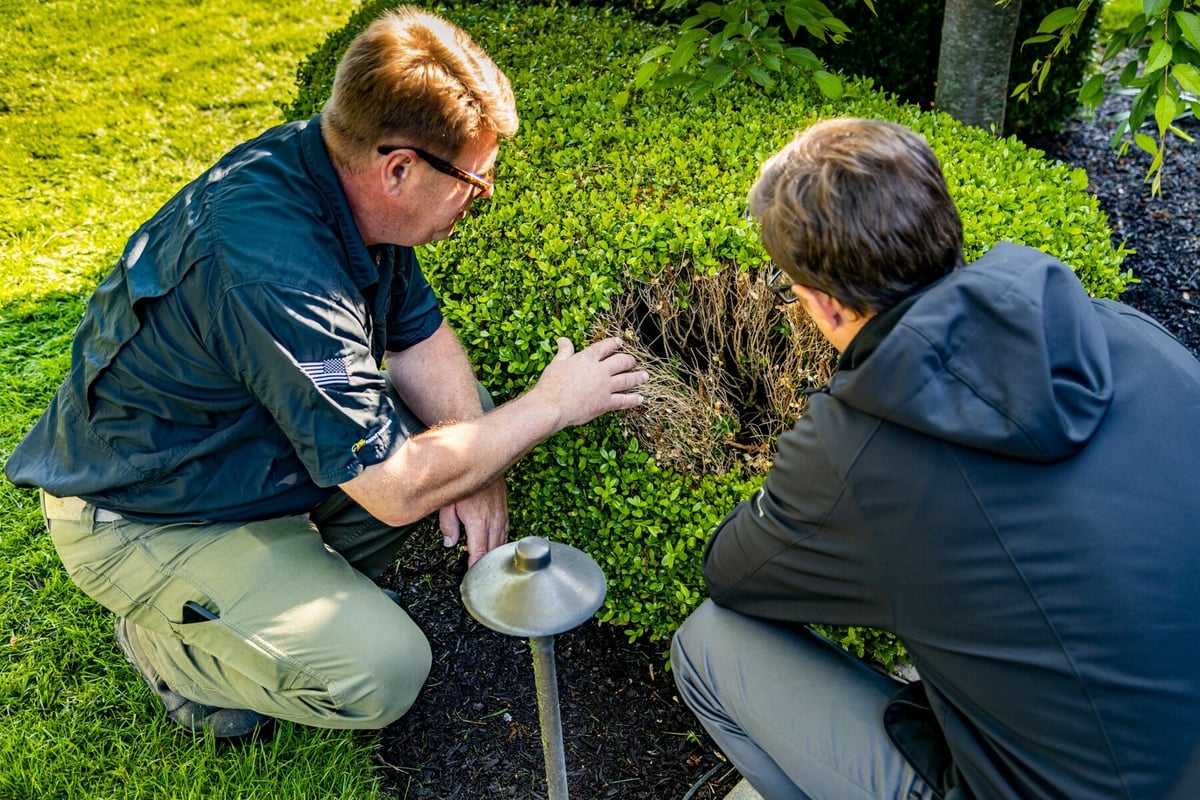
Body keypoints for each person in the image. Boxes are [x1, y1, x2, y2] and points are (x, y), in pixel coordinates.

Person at [5, 6, 646, 741]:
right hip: (149, 516)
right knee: (384, 670)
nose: (481, 201)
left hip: (237, 457)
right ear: (400, 167)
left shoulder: (333, 179)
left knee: (471, 424)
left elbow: (419, 339)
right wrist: (552, 406)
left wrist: (476, 462)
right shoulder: (276, 269)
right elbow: (397, 489)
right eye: (477, 182)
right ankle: (173, 647)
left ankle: (273, 589)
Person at [670, 118, 1200, 799]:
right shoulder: (1127, 333)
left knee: (708, 646)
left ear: (823, 305)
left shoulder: (855, 452)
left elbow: (735, 576)